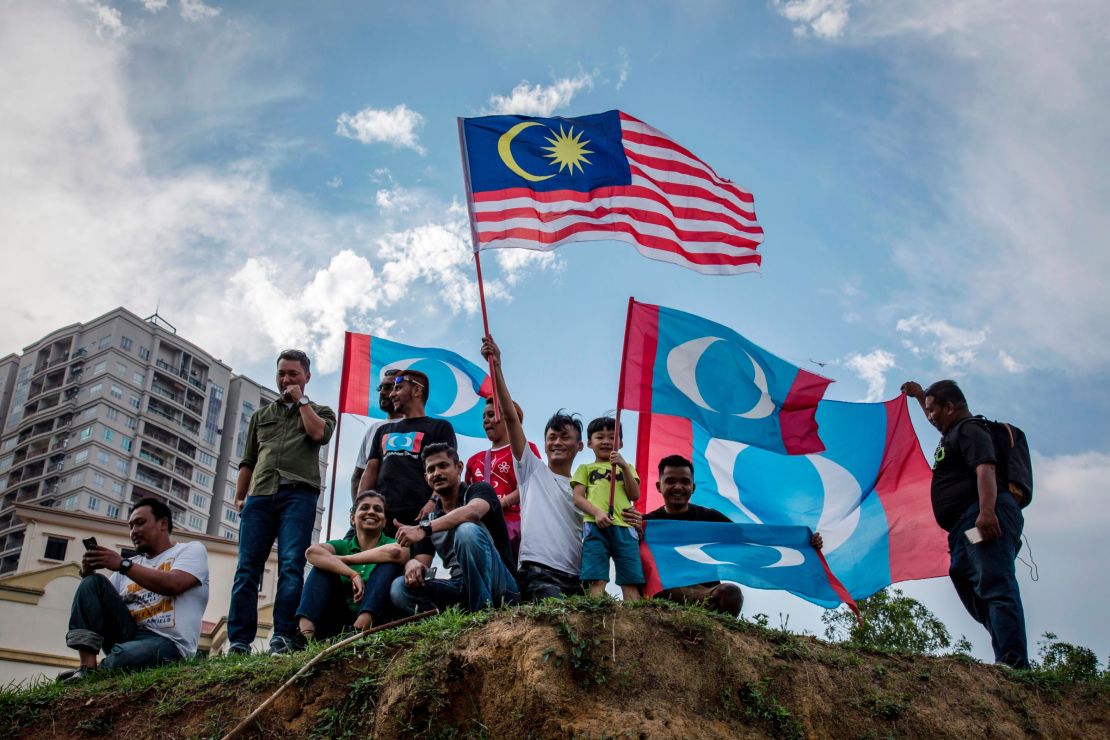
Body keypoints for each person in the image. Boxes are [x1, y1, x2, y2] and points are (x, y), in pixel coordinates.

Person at [902, 379, 1029, 669]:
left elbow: (985, 468)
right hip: (964, 528)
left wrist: (986, 512)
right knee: (963, 574)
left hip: (983, 516)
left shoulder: (970, 429)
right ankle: (1006, 653)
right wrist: (920, 396)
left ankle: (1013, 662)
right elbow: (935, 414)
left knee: (994, 579)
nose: (930, 416)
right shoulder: (952, 431)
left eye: (934, 411)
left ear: (950, 407)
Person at [228, 349, 336, 655]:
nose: (286, 379)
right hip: (260, 495)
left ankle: (283, 636)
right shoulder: (262, 416)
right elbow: (248, 459)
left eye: (293, 374)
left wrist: (301, 401)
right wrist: (239, 496)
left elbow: (318, 434)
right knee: (247, 568)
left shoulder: (321, 411)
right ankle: (238, 641)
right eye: (281, 374)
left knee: (291, 564)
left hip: (298, 496)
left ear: (306, 377)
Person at [59, 498, 209, 682]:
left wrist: (123, 564)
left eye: (140, 523)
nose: (134, 531)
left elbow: (174, 584)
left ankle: (99, 673)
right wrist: (88, 572)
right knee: (92, 582)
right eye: (131, 526)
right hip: (128, 634)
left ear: (163, 523)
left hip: (170, 643)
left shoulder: (190, 550)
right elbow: (98, 605)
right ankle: (87, 668)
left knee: (125, 656)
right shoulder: (131, 567)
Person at [390, 443, 519, 613]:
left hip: (500, 584)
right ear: (426, 478)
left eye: (443, 465)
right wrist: (411, 565)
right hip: (459, 586)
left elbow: (472, 512)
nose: (437, 473)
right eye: (431, 469)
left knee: (466, 530)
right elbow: (422, 563)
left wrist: (424, 529)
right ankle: (450, 618)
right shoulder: (430, 519)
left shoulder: (479, 490)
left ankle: (482, 614)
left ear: (459, 468)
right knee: (399, 587)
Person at [297, 490, 407, 641]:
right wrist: (352, 574)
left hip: (378, 620)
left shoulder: (392, 543)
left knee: (388, 565)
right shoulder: (342, 545)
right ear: (352, 519)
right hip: (339, 619)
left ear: (384, 521)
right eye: (364, 508)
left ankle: (360, 629)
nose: (371, 512)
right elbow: (312, 553)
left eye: (378, 509)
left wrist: (345, 560)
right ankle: (304, 636)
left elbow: (396, 552)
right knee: (322, 567)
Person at [358, 370, 457, 536]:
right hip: (380, 517)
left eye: (398, 388)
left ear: (417, 390)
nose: (392, 395)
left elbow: (446, 472)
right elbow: (370, 471)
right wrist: (359, 506)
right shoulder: (382, 430)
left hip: (419, 517)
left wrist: (433, 502)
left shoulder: (439, 427)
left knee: (413, 562)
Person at [643, 455, 743, 616]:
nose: (678, 487)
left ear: (693, 487)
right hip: (664, 591)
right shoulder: (646, 523)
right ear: (658, 486)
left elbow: (747, 537)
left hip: (705, 594)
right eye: (670, 481)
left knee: (731, 593)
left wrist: (792, 539)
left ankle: (718, 632)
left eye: (684, 481)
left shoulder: (710, 518)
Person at [571, 417, 644, 601]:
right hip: (595, 527)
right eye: (600, 437)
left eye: (612, 437)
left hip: (624, 527)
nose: (606, 441)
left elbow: (634, 494)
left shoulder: (628, 468)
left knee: (630, 579)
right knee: (596, 577)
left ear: (620, 443)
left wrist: (624, 466)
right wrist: (596, 512)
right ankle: (595, 614)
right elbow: (578, 498)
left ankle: (634, 620)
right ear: (589, 443)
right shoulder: (585, 468)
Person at [464, 397, 542, 560]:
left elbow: (533, 486)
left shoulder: (527, 451)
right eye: (484, 416)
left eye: (491, 415)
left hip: (517, 528)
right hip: (482, 528)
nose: (486, 420)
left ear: (509, 418)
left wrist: (499, 503)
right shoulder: (473, 460)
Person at [351, 369, 403, 500]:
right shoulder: (373, 430)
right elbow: (358, 476)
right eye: (380, 388)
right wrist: (357, 509)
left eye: (389, 387)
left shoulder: (421, 427)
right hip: (376, 513)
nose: (382, 393)